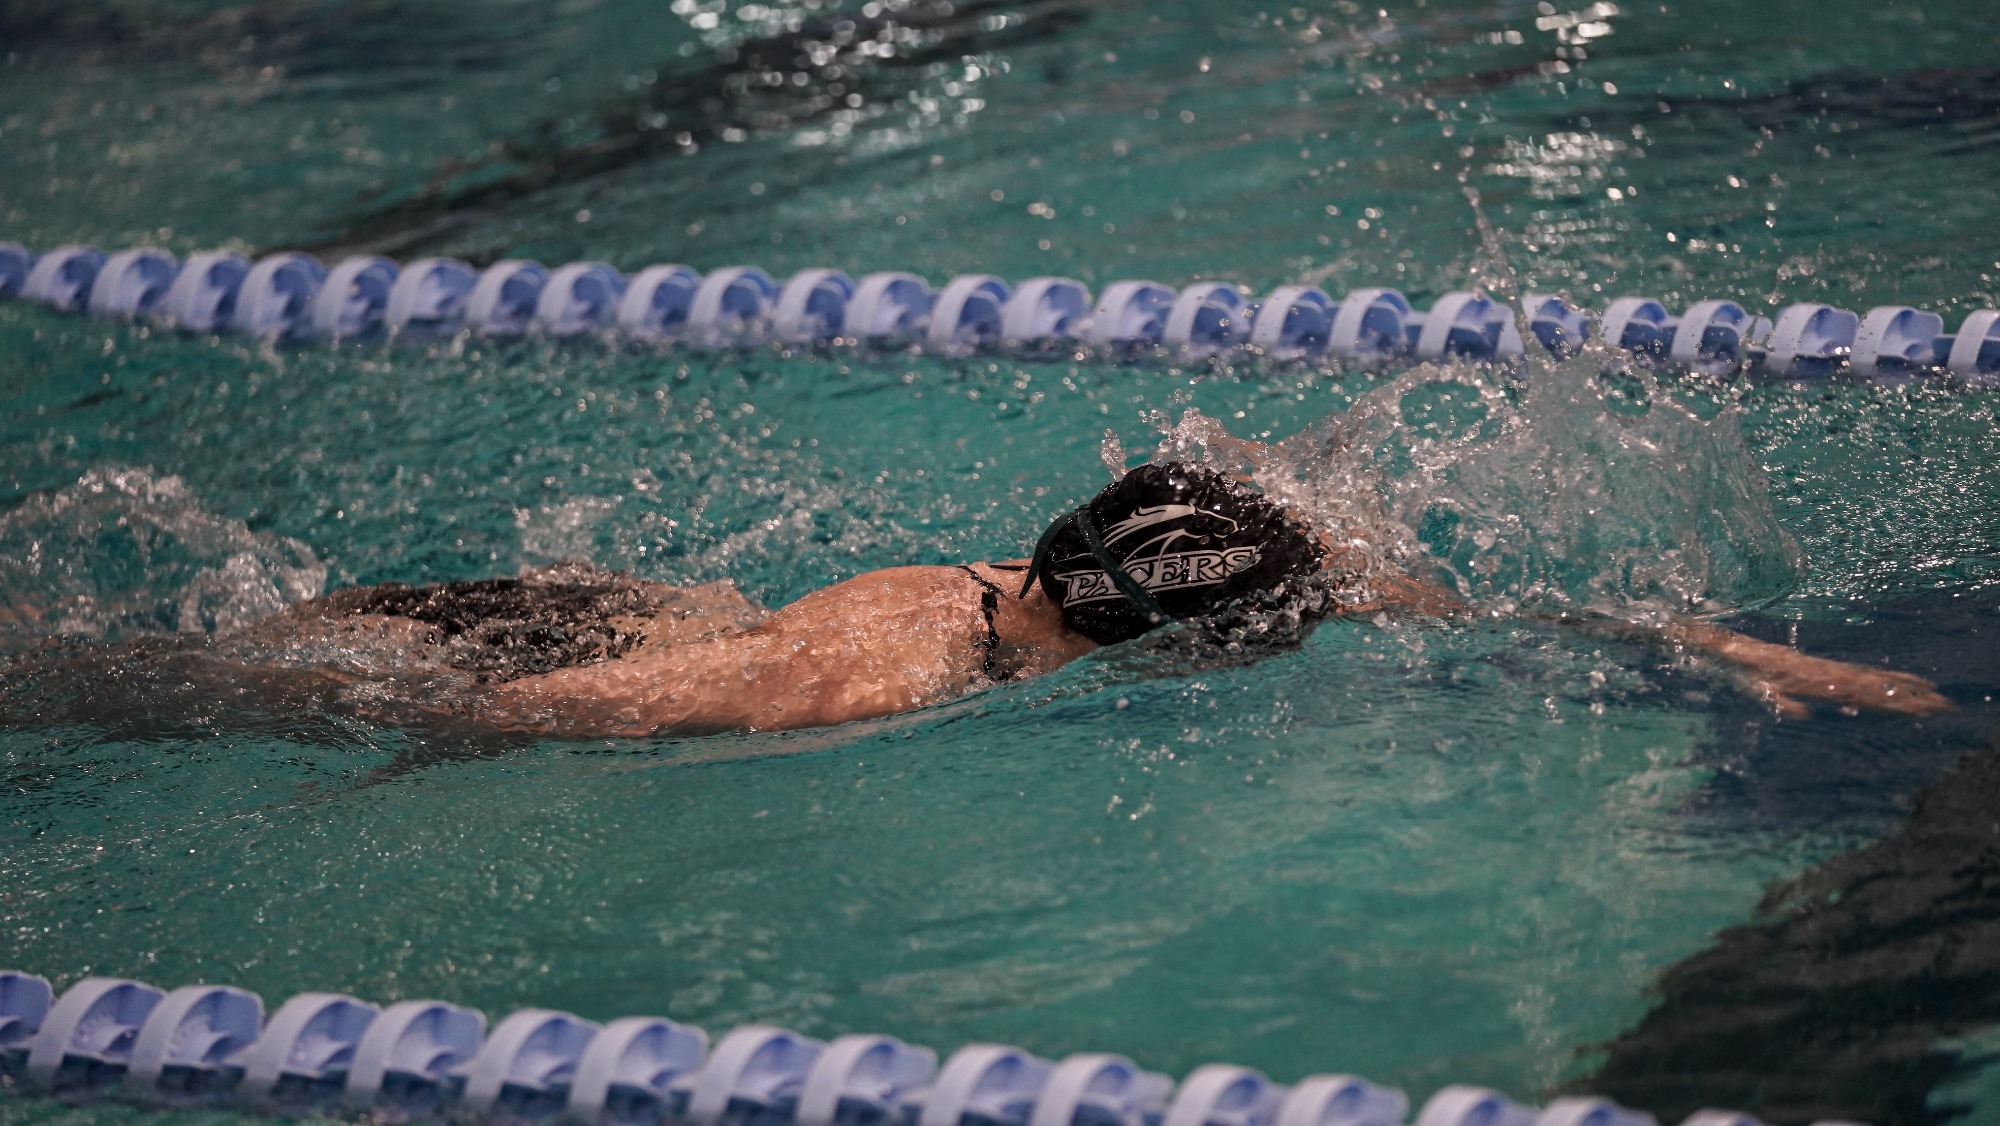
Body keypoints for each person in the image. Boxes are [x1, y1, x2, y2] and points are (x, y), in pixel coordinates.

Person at [255, 459, 1948, 738]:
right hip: (537, 656)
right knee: (174, 677)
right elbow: (507, 719)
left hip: (630, 604)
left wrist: (1709, 643)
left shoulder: (1012, 593)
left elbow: (1371, 583)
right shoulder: (881, 677)